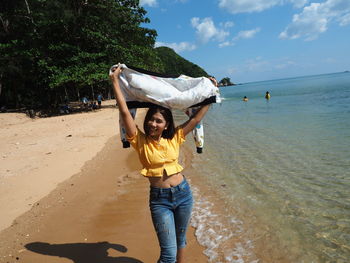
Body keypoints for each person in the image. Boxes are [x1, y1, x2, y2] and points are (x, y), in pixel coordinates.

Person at [109, 65, 214, 263]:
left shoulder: (175, 137)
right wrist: (115, 81)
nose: (152, 124)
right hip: (160, 200)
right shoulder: (139, 140)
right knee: (168, 255)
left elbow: (196, 118)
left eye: (158, 121)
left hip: (184, 194)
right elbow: (124, 112)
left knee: (181, 241)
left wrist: (210, 95)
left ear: (166, 124)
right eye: (150, 120)